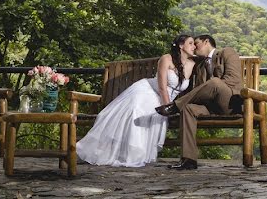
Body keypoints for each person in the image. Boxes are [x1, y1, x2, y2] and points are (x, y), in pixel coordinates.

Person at [75, 34, 197, 167]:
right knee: (138, 109)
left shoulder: (192, 63)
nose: (194, 46)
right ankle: (127, 153)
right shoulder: (166, 59)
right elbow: (162, 87)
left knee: (153, 111)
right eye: (190, 43)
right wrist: (168, 108)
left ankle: (138, 154)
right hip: (149, 91)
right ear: (180, 45)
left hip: (166, 100)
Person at [155, 34, 242, 170]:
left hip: (229, 102)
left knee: (215, 82)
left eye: (197, 43)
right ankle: (188, 159)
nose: (194, 47)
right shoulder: (200, 65)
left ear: (206, 42)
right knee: (188, 108)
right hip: (209, 107)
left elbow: (233, 80)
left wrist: (213, 87)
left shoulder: (227, 53)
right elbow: (199, 91)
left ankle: (174, 106)